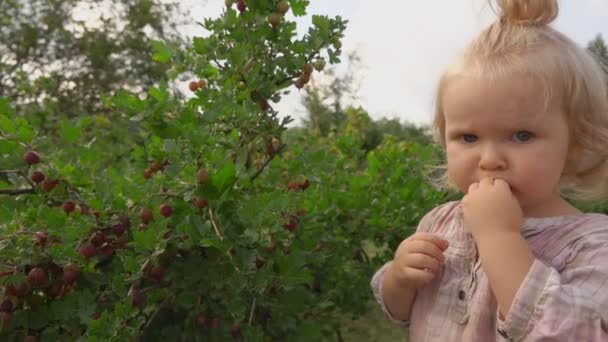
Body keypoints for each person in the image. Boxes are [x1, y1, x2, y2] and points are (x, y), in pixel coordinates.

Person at [370, 0, 608, 341]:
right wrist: (399, 279)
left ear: (575, 143)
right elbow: (400, 311)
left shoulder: (592, 246)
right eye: (468, 137)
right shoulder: (440, 223)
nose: (490, 159)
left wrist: (500, 239)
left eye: (521, 135)